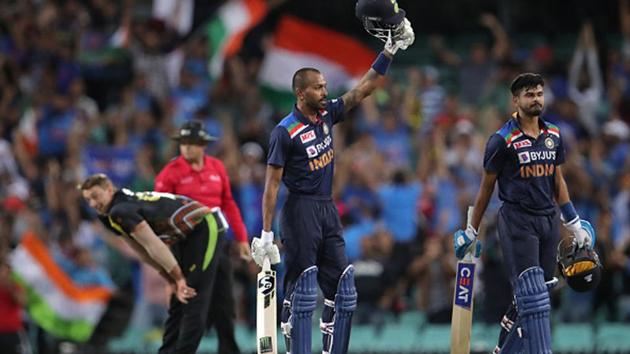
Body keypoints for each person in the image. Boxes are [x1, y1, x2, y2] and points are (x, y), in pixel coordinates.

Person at [249, 2, 415, 353]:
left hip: (327, 209)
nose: (326, 92)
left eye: (325, 87)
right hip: (299, 211)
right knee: (304, 288)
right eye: (319, 88)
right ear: (301, 93)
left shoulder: (327, 114)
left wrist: (389, 50)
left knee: (344, 288)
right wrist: (265, 234)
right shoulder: (284, 131)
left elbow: (362, 90)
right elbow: (271, 186)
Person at [453, 73, 596, 353]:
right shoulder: (502, 139)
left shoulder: (553, 134)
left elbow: (558, 181)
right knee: (532, 294)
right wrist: (471, 229)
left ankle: (502, 349)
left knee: (538, 292)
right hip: (517, 220)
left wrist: (574, 222)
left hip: (548, 219)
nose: (536, 99)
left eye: (539, 93)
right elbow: (486, 188)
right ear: (516, 100)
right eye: (529, 95)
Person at [79, 173, 229, 354]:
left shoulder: (121, 210)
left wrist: (179, 278)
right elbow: (141, 251)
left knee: (192, 295)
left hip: (205, 225)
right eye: (88, 200)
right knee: (177, 298)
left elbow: (153, 244)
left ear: (109, 190)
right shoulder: (110, 214)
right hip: (183, 237)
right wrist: (170, 278)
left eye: (96, 196)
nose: (93, 204)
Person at [154, 120, 251, 354]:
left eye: (192, 143)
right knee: (190, 304)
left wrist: (242, 239)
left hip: (218, 245)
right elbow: (158, 211)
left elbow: (228, 203)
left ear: (203, 145)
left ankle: (229, 350)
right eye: (183, 143)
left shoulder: (217, 167)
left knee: (225, 306)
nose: (187, 148)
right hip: (187, 248)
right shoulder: (171, 172)